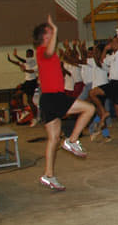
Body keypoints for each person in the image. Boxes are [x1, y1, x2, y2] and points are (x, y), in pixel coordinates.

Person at [33, 15, 95, 191]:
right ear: (45, 37)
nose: (53, 34)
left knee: (53, 139)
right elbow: (49, 52)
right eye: (50, 32)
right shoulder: (42, 51)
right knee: (89, 109)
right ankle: (72, 140)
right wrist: (56, 29)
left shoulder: (49, 53)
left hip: (49, 98)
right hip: (53, 97)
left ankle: (49, 175)